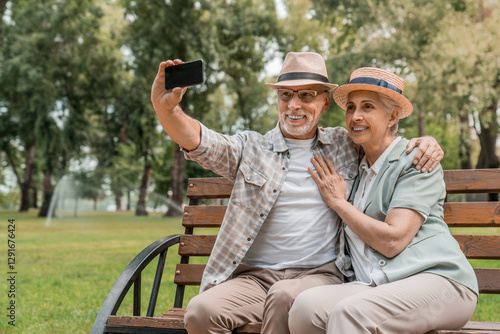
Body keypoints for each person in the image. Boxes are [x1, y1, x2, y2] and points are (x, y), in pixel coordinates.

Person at [150, 52, 444, 334]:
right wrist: (167, 109)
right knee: (201, 312)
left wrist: (426, 142)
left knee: (283, 296)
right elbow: (199, 141)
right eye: (286, 95)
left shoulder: (345, 144)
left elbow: (382, 138)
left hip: (320, 275)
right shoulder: (251, 149)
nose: (294, 105)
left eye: (306, 95)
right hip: (254, 278)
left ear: (325, 102)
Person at [288, 67, 478, 334]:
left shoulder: (416, 160)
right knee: (304, 309)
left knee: (349, 314)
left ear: (393, 116)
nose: (356, 116)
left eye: (368, 107)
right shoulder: (355, 164)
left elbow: (393, 240)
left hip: (441, 282)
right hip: (379, 284)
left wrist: (339, 203)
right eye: (351, 107)